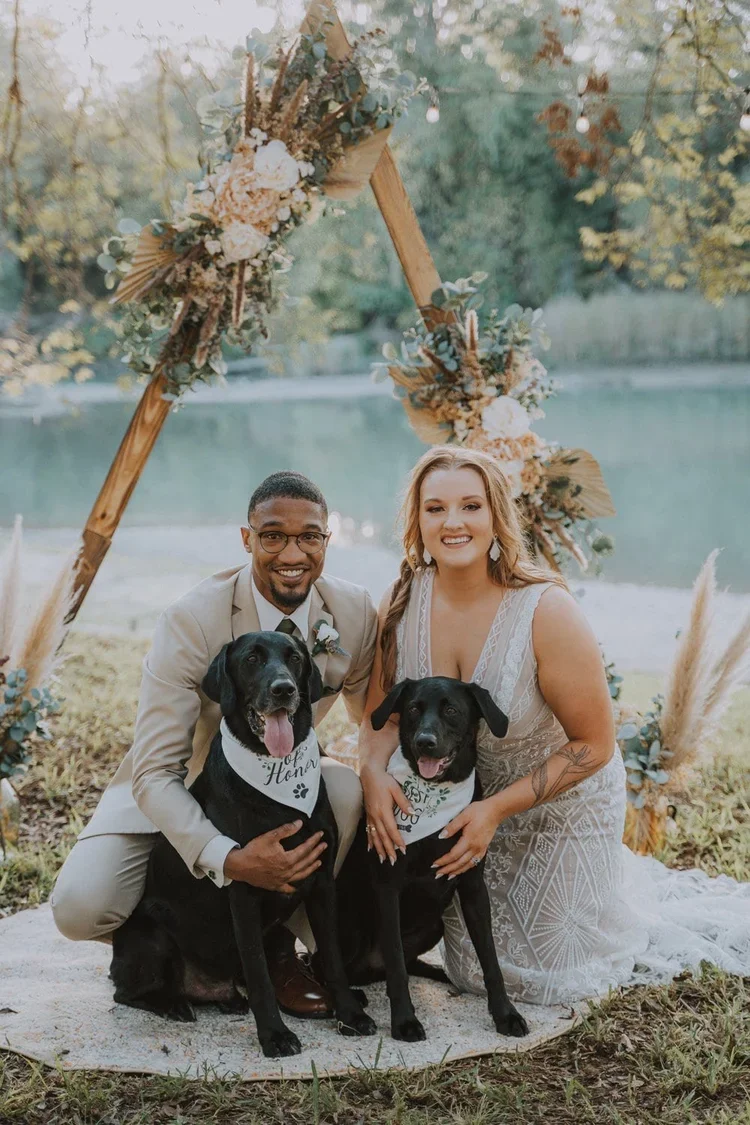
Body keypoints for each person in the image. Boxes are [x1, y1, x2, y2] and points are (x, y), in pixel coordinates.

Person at [358, 446, 750, 1006]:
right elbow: (381, 718)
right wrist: (372, 774)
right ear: (416, 521)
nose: (452, 522)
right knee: (469, 968)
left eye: (471, 506)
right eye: (435, 508)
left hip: (559, 808)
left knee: (542, 975)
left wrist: (494, 810)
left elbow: (595, 744)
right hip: (459, 805)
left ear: (496, 516)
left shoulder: (545, 611)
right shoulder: (400, 602)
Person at [51, 471, 377, 1019]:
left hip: (279, 785)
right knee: (81, 907)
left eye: (309, 537)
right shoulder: (192, 619)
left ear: (328, 539)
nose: (292, 554)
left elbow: (374, 721)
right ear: (247, 539)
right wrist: (226, 857)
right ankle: (182, 939)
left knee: (343, 788)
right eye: (272, 536)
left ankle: (276, 948)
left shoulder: (353, 612)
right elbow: (155, 772)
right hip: (183, 791)